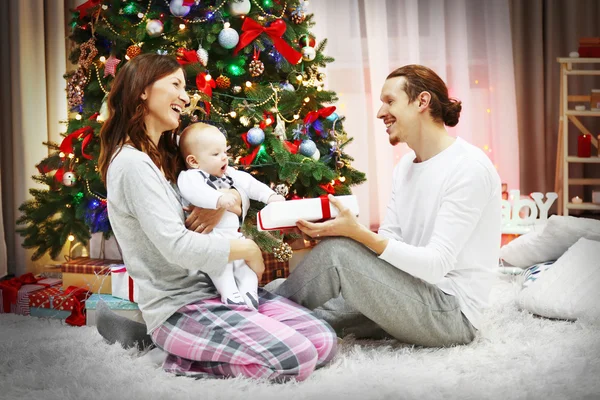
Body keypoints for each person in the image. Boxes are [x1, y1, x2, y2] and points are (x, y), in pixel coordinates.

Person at [96, 53, 337, 381]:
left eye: (186, 87)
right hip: (179, 304)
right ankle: (170, 355)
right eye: (176, 85)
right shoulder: (132, 164)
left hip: (215, 289)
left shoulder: (168, 155)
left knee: (323, 342)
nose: (185, 96)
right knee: (296, 358)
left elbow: (234, 186)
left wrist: (227, 202)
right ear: (143, 90)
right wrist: (248, 250)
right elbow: (176, 247)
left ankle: (175, 344)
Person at [272, 64, 502, 347]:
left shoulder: (469, 167)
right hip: (408, 290)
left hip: (450, 314)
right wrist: (339, 231)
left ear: (422, 101)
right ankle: (260, 319)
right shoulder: (406, 166)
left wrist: (356, 235)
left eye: (390, 101)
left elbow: (435, 266)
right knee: (293, 303)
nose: (381, 113)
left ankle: (249, 323)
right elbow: (390, 242)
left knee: (336, 257)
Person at [177, 122, 285, 310]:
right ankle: (230, 293)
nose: (224, 158)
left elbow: (250, 184)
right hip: (212, 236)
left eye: (224, 152)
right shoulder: (190, 176)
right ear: (194, 161)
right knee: (221, 266)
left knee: (244, 267)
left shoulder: (230, 174)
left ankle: (249, 292)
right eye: (216, 154)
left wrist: (270, 196)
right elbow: (194, 192)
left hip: (233, 234)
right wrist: (218, 199)